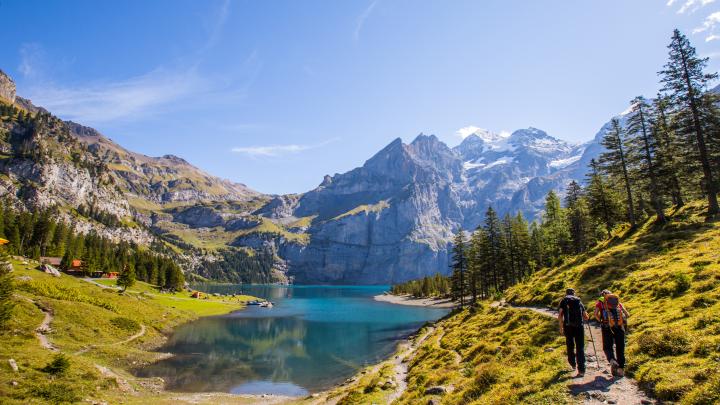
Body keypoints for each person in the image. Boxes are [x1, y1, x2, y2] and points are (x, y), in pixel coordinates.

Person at [594, 289, 630, 377]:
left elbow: (595, 314)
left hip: (606, 327)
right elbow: (627, 314)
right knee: (620, 348)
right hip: (620, 327)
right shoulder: (618, 303)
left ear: (603, 296)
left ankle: (612, 360)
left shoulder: (600, 303)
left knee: (607, 346)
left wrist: (602, 321)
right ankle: (621, 370)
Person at [558, 288, 589, 377]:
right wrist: (586, 318)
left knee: (570, 344)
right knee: (580, 347)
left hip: (568, 326)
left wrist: (561, 327)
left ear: (566, 293)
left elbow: (560, 314)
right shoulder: (578, 301)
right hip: (579, 326)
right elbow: (585, 315)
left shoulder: (564, 301)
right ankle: (581, 370)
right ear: (574, 293)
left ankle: (572, 363)